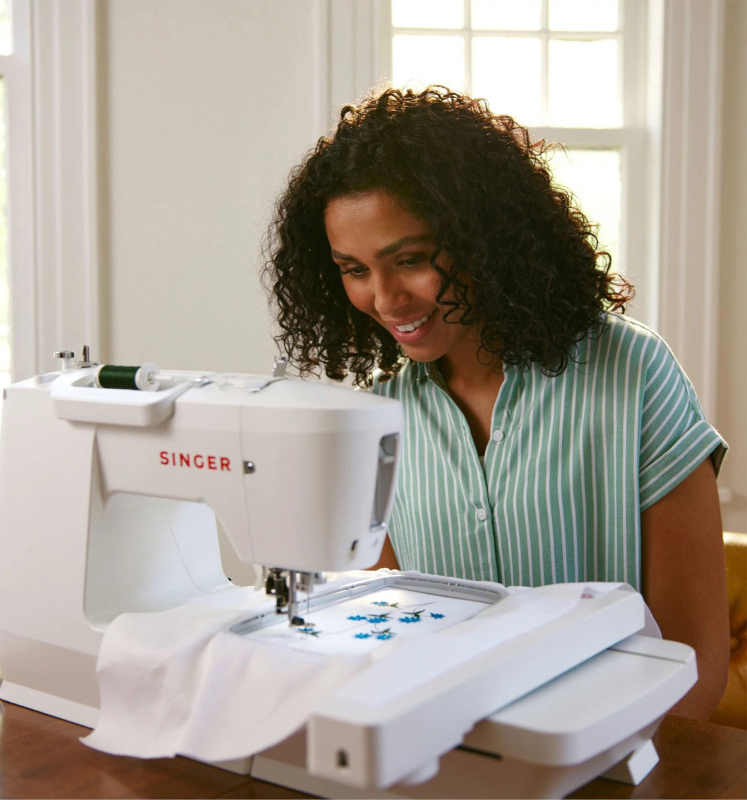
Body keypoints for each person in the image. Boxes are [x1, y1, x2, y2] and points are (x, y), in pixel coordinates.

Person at [262, 86, 729, 719]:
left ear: (485, 239)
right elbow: (390, 642)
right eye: (354, 269)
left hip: (619, 755)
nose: (385, 297)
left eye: (412, 259)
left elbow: (694, 666)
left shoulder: (631, 372)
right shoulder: (383, 418)